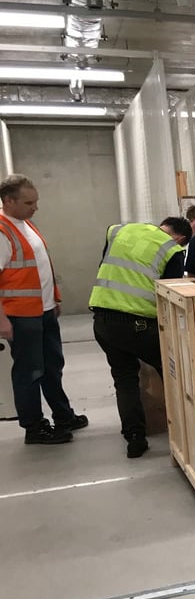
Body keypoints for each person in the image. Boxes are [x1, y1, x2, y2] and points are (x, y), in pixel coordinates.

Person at [88, 217, 192, 458]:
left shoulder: (118, 231)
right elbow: (171, 292)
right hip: (138, 325)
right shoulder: (173, 250)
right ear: (181, 239)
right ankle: (184, 432)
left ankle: (134, 437)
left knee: (124, 378)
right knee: (173, 372)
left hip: (102, 319)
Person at [0, 174, 88, 445]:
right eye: (28, 202)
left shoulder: (26, 225)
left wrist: (55, 299)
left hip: (44, 310)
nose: (35, 207)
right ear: (8, 201)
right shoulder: (2, 231)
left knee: (52, 367)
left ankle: (63, 416)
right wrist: (2, 319)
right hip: (21, 315)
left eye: (36, 201)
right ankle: (34, 428)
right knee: (29, 371)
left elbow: (40, 267)